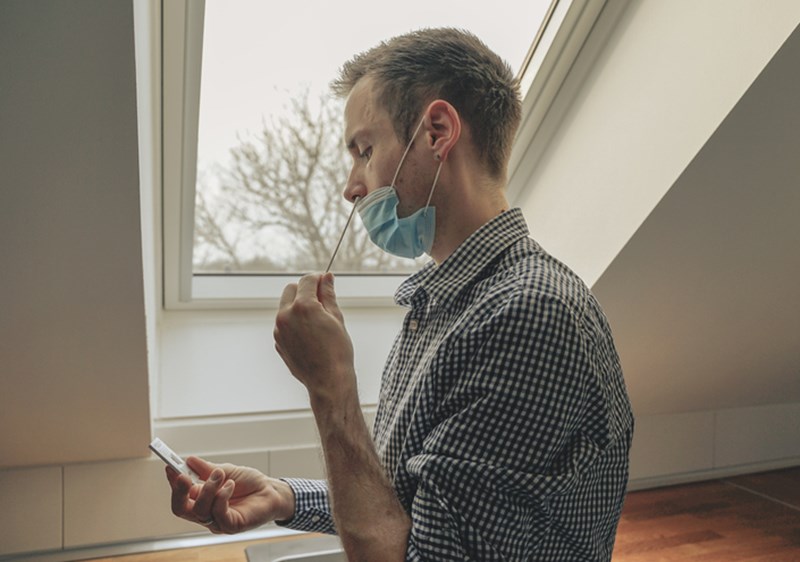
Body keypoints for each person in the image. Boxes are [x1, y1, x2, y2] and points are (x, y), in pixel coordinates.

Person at [166, 28, 634, 561]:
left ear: (437, 132)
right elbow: (413, 504)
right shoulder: (444, 303)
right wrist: (285, 497)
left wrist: (331, 387)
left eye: (365, 150)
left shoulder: (528, 318)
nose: (351, 186)